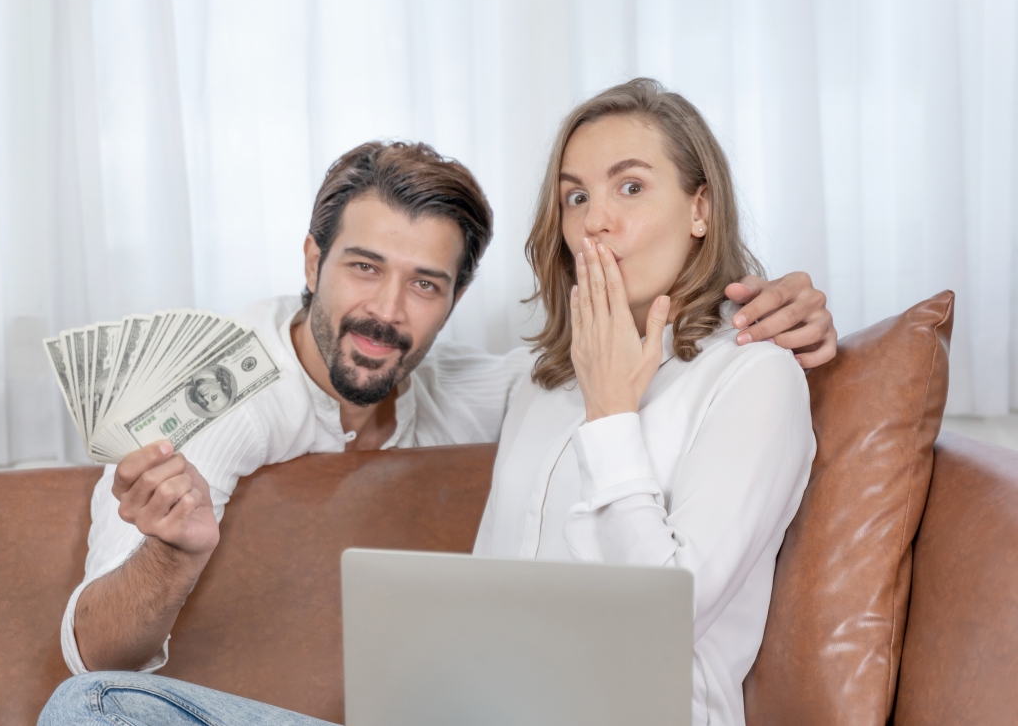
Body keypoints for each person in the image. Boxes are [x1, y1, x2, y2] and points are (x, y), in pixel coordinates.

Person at [41, 134, 833, 723]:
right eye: (363, 267)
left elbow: (621, 373)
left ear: (454, 300)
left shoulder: (500, 392)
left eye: (425, 283)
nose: (388, 311)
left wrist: (768, 306)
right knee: (92, 705)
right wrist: (171, 554)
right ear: (312, 262)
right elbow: (92, 651)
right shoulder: (218, 401)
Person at [472, 78, 815, 725]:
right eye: (576, 196)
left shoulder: (754, 378)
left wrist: (610, 415)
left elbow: (667, 613)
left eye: (630, 186)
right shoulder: (540, 383)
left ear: (700, 209)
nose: (595, 219)